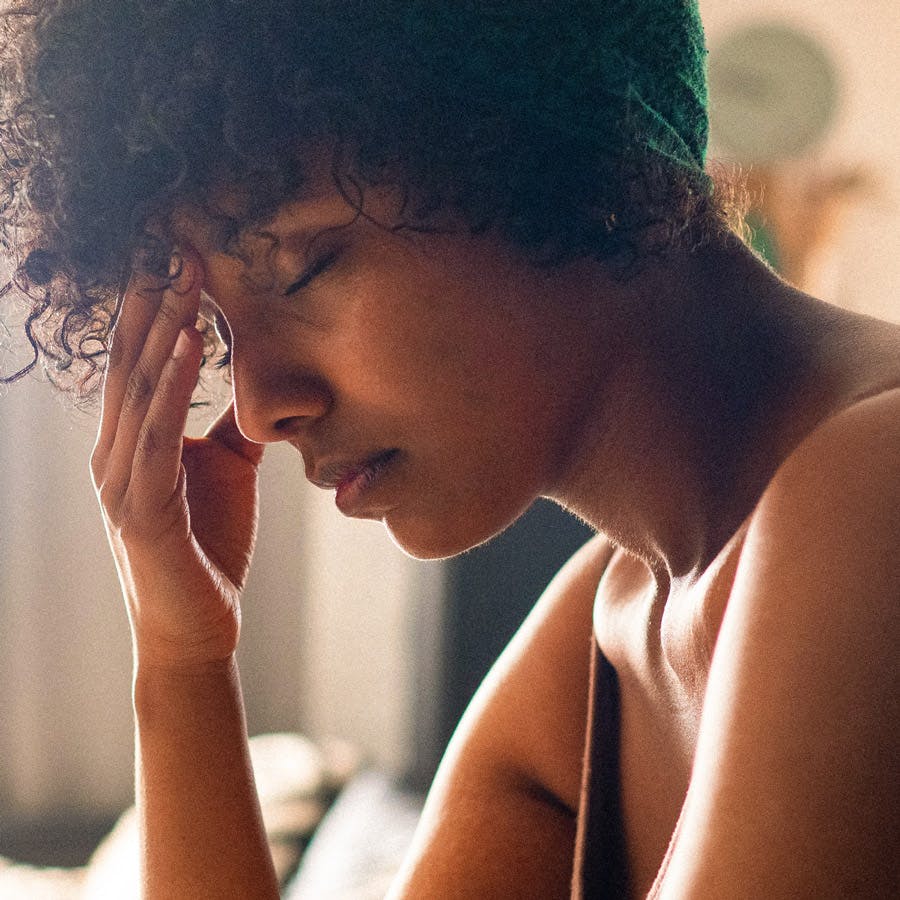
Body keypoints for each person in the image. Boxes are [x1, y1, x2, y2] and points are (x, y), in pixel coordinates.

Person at [1, 1, 897, 897]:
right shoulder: (601, 640)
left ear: (556, 151)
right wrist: (182, 661)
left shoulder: (875, 486)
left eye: (305, 269)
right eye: (226, 337)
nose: (263, 407)